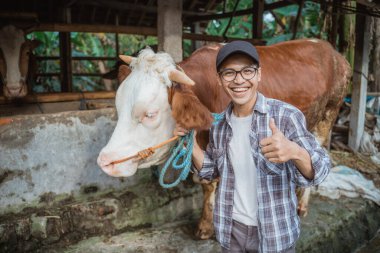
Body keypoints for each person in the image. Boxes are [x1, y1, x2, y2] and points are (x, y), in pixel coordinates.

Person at [174, 40, 331, 253]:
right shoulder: (219, 125)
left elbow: (321, 170)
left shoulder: (285, 116)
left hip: (274, 234)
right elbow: (211, 171)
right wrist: (190, 144)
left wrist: (295, 152)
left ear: (259, 75)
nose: (239, 80)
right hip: (230, 232)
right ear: (219, 80)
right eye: (229, 73)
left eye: (247, 71)